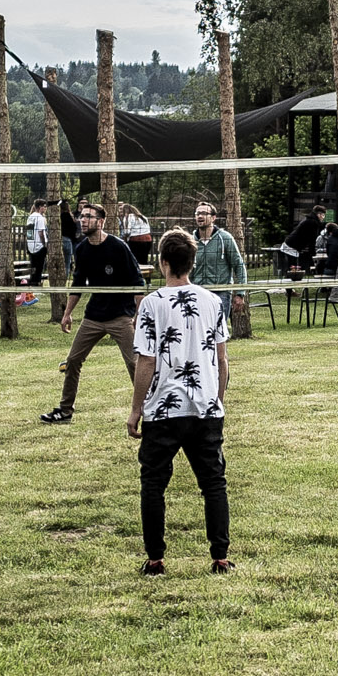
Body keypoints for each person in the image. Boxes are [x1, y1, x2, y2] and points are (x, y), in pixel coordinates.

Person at [129, 228, 232, 576]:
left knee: (153, 484)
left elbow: (146, 361)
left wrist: (135, 409)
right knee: (213, 483)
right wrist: (216, 399)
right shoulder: (213, 301)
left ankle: (155, 559)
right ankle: (220, 557)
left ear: (163, 262)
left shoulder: (151, 305)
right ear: (193, 261)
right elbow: (222, 359)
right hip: (205, 407)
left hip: (163, 410)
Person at [43, 202, 144, 424]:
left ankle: (149, 410)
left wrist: (139, 316)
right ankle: (65, 411)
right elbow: (78, 284)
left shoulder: (118, 247)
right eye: (82, 216)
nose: (83, 219)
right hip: (94, 317)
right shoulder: (82, 249)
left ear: (101, 222)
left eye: (88, 216)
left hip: (121, 316)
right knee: (72, 361)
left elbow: (137, 283)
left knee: (135, 364)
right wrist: (67, 313)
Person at [190, 200, 247, 327]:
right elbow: (186, 270)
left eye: (204, 213)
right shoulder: (190, 241)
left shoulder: (225, 238)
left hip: (220, 292)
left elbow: (239, 265)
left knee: (218, 332)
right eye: (197, 213)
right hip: (197, 292)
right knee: (198, 330)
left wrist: (240, 294)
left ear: (213, 217)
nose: (200, 216)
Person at [279, 204, 326, 277]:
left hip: (291, 244)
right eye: (323, 215)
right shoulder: (313, 222)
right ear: (318, 214)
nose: (323, 217)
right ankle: (288, 284)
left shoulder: (310, 219)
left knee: (293, 267)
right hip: (292, 246)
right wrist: (313, 253)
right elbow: (312, 239)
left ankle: (289, 284)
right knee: (292, 268)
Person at [25, 198, 51, 285]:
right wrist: (45, 244)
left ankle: (33, 282)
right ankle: (37, 282)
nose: (46, 208)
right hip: (39, 246)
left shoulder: (30, 216)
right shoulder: (39, 218)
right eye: (44, 206)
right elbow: (41, 233)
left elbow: (29, 232)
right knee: (39, 267)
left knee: (33, 266)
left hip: (31, 245)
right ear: (40, 207)